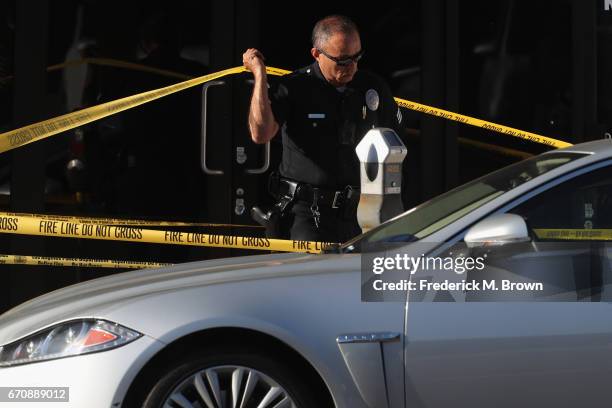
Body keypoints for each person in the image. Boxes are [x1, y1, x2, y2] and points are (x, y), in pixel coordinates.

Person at [243, 15, 403, 242]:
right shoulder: (295, 87)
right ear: (317, 54)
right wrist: (260, 76)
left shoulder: (372, 87)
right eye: (342, 61)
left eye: (357, 57)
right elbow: (260, 133)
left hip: (360, 214)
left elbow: (395, 144)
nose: (351, 67)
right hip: (307, 214)